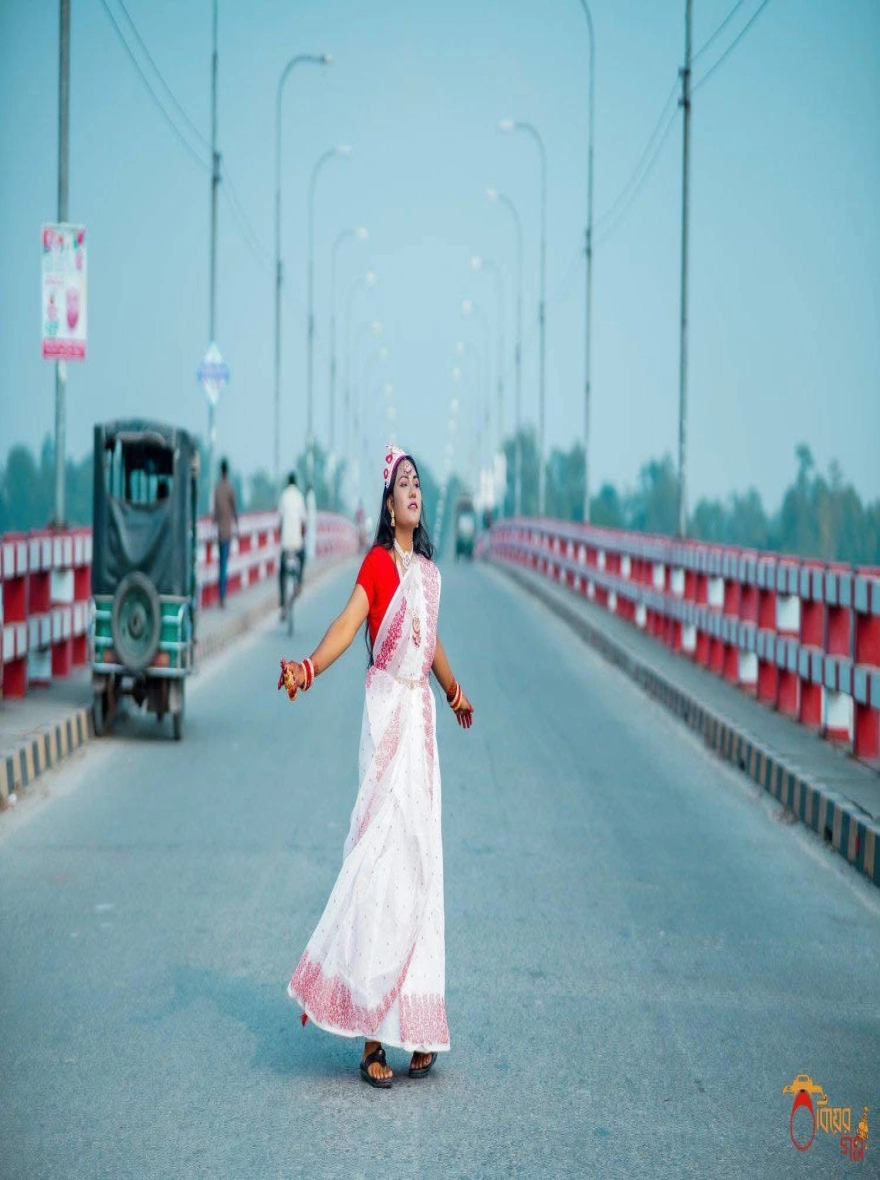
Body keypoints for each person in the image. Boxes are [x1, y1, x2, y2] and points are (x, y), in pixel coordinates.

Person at [278, 444, 474, 1088]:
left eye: (420, 482)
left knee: (421, 868)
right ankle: (370, 1036)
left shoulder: (426, 570)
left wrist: (452, 691)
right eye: (404, 484)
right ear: (389, 506)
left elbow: (430, 639)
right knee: (379, 866)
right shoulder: (379, 565)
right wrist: (308, 666)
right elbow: (348, 622)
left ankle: (414, 1027)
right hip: (386, 717)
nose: (415, 490)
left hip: (420, 726)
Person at [278, 471, 307, 619]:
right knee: (303, 556)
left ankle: (283, 604)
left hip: (286, 543)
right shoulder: (300, 497)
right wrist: (302, 537)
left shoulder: (283, 496)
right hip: (296, 542)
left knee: (282, 572)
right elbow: (304, 522)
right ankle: (299, 583)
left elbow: (280, 521)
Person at [213, 458, 238, 608]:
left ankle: (220, 595)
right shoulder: (229, 488)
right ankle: (222, 596)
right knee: (224, 566)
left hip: (219, 531)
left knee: (219, 564)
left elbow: (215, 510)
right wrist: (238, 525)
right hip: (227, 531)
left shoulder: (217, 488)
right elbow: (234, 509)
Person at [304, 483, 317, 565]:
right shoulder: (312, 496)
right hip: (312, 519)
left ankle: (310, 555)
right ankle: (311, 554)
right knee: (311, 537)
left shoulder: (309, 497)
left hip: (309, 520)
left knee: (309, 538)